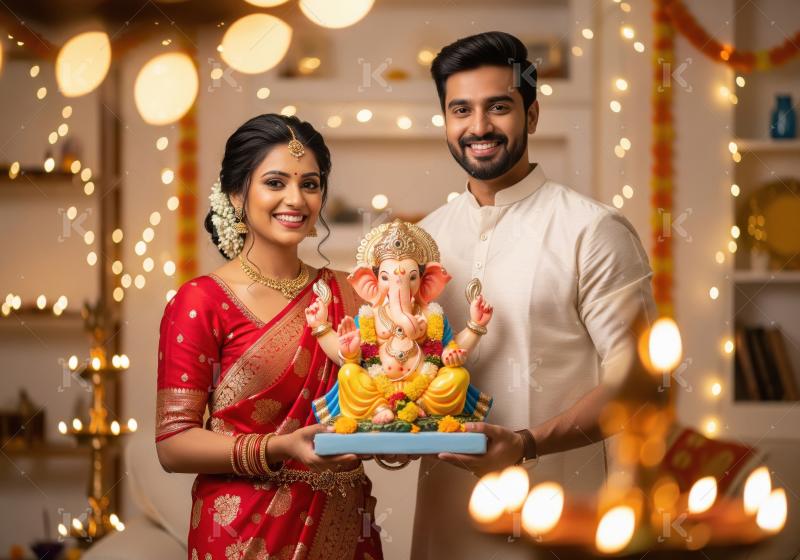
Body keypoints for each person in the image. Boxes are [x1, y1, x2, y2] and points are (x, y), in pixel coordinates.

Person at [412, 31, 656, 558]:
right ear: (446, 120)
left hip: (560, 525)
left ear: (532, 114)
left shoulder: (592, 230)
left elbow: (639, 381)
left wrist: (526, 444)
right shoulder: (424, 240)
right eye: (461, 110)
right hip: (445, 528)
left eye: (498, 107)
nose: (479, 127)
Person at [154, 114, 384, 560]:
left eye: (310, 184)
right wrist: (279, 448)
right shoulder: (201, 300)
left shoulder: (351, 293)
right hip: (241, 532)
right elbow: (173, 444)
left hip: (343, 523)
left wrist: (399, 438)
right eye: (275, 183)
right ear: (237, 194)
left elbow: (381, 397)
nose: (295, 199)